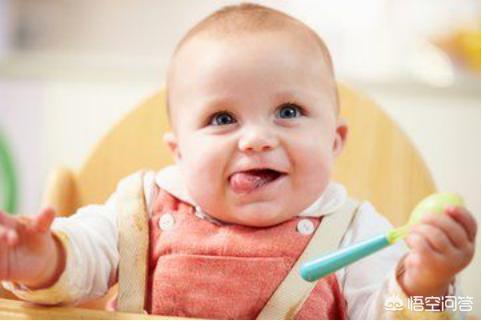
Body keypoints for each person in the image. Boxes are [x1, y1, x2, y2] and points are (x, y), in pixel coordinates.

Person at [0, 3, 477, 319]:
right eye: (222, 117)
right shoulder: (140, 208)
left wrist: (424, 282)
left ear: (335, 141)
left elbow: (388, 313)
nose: (255, 139)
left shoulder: (359, 231)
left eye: (289, 112)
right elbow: (83, 255)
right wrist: (40, 258)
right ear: (180, 152)